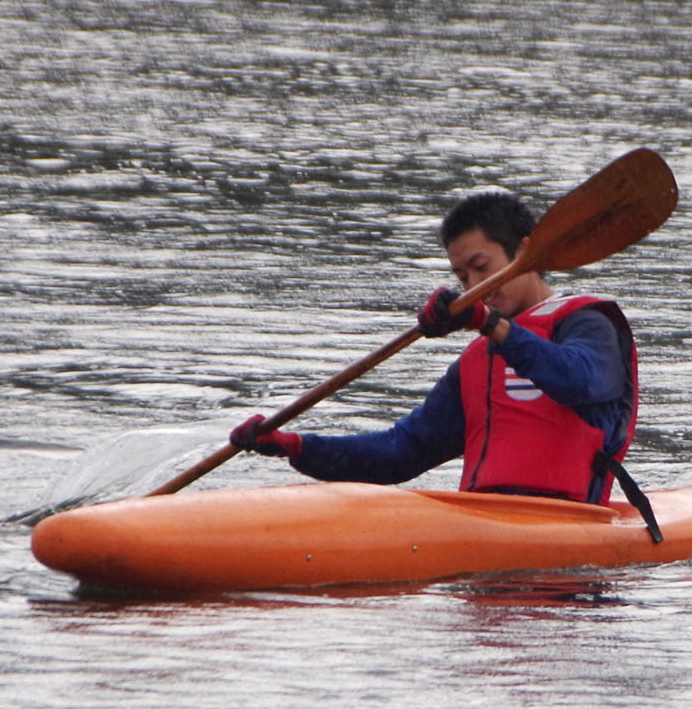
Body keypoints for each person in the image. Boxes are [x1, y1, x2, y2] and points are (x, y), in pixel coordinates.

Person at [228, 189, 648, 520]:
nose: (472, 284)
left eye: (482, 267)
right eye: (462, 276)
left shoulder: (587, 322)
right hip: (483, 524)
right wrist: (296, 446)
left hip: (569, 526)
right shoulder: (477, 360)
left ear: (523, 253)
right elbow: (401, 452)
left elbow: (582, 381)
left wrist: (490, 323)